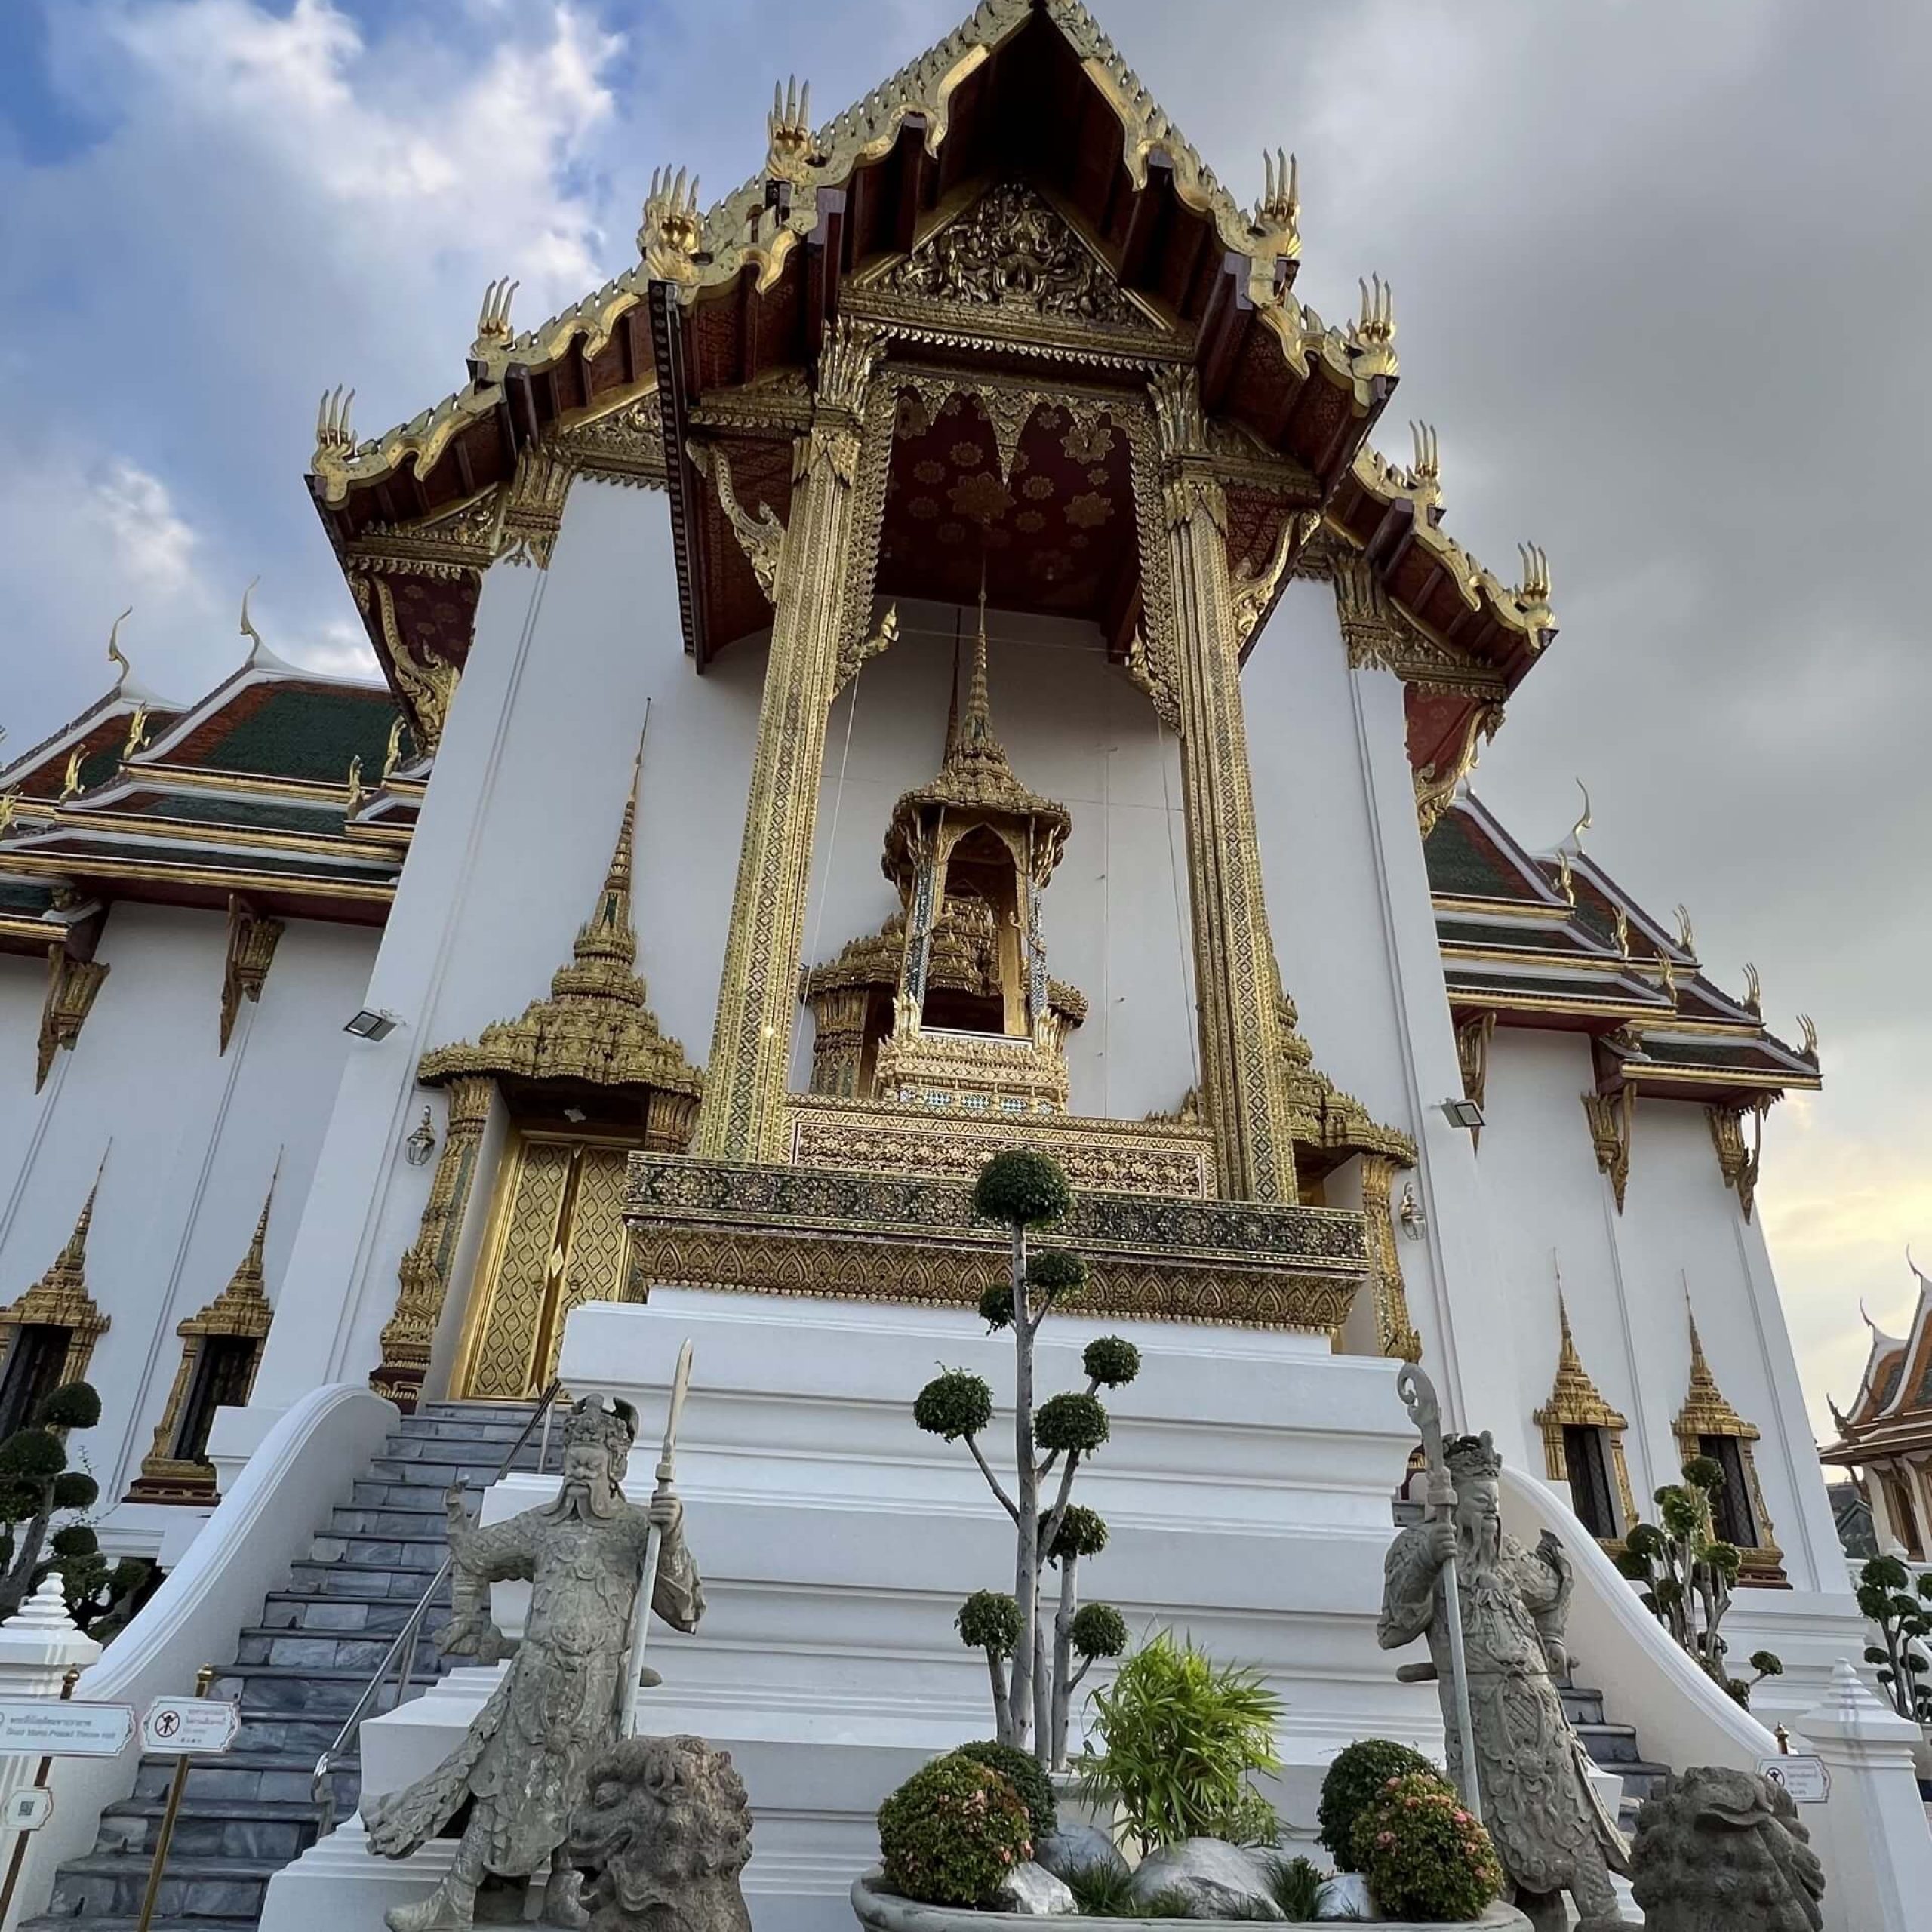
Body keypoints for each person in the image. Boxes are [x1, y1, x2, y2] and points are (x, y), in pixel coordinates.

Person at [366, 1393, 703, 1931]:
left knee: (583, 1789)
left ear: (616, 1468)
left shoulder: (637, 1532)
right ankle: (457, 1896)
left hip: (597, 1690)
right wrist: (469, 1625)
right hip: (534, 1682)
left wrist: (674, 1533)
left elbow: (684, 1609)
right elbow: (474, 1554)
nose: (580, 1473)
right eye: (573, 1463)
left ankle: (563, 1890)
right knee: (497, 1783)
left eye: (591, 1464)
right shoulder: (542, 1527)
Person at [1378, 1430, 1629, 1932]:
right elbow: (1396, 1628)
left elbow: (1554, 1585)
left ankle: (1603, 1915)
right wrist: (1427, 1562)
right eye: (1481, 1502)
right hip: (1480, 1709)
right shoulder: (1419, 1547)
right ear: (1452, 1500)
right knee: (1492, 1815)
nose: (1492, 1512)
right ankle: (1498, 1913)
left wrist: (1552, 1638)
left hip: (1540, 1709)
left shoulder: (1507, 1553)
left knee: (1571, 1814)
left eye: (1494, 1503)